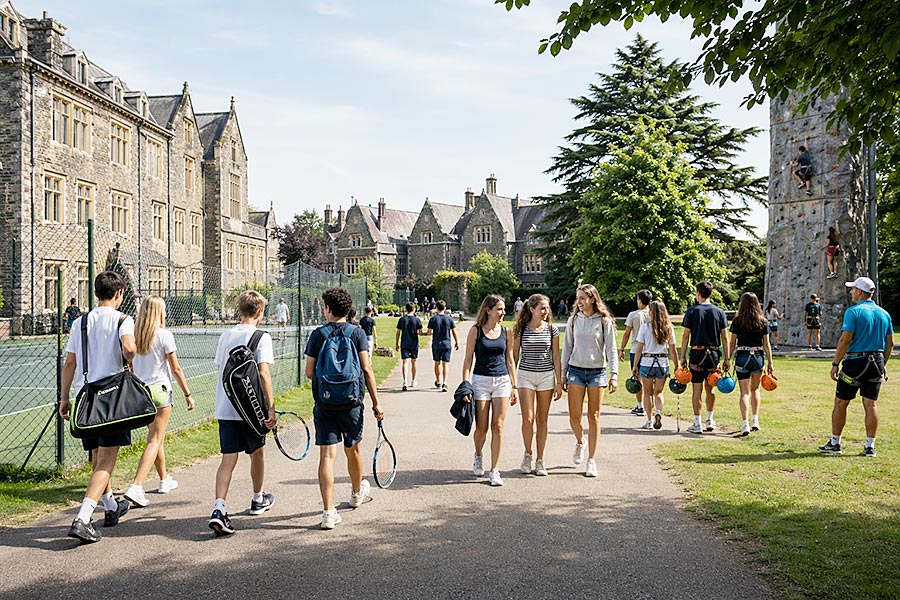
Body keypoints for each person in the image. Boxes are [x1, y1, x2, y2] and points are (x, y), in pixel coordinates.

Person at [59, 271, 136, 544]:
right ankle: (83, 516)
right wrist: (132, 352)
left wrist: (64, 397)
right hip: (112, 398)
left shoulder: (79, 323)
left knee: (96, 453)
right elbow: (129, 349)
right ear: (118, 294)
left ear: (95, 294)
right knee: (106, 460)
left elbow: (69, 363)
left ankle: (112, 507)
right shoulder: (123, 320)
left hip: (85, 396)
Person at [305, 287, 384, 529]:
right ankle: (356, 492)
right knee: (353, 450)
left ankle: (328, 512)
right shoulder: (357, 333)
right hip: (352, 403)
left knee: (327, 456)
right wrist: (376, 403)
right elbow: (367, 370)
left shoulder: (318, 335)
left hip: (325, 403)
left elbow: (309, 372)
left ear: (328, 309)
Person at [207, 290, 276, 536]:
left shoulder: (226, 335)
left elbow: (222, 369)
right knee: (257, 454)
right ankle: (258, 498)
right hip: (251, 410)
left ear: (239, 311)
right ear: (260, 312)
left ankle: (219, 508)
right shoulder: (261, 337)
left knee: (228, 459)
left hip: (226, 407)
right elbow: (263, 373)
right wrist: (270, 407)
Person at [123, 296, 195, 508]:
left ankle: (164, 480)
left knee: (156, 438)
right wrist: (187, 393)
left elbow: (131, 366)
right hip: (161, 393)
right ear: (159, 312)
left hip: (141, 393)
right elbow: (176, 369)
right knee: (154, 440)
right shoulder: (164, 335)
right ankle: (136, 486)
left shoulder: (134, 335)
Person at [819, 277, 893, 457]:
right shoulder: (884, 313)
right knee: (870, 404)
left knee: (841, 402)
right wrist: (884, 364)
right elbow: (889, 343)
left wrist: (835, 363)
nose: (851, 292)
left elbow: (845, 339)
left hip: (855, 362)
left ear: (860, 292)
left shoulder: (853, 312)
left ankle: (835, 443)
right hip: (877, 361)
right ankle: (870, 447)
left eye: (853, 289)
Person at [561, 284, 618, 477]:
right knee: (574, 417)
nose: (579, 301)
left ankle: (591, 460)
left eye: (582, 298)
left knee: (593, 416)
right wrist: (563, 374)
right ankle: (580, 442)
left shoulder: (604, 321)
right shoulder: (573, 320)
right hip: (576, 371)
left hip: (597, 373)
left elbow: (611, 349)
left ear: (592, 299)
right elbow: (566, 348)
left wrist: (614, 376)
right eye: (578, 298)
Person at [461, 294, 518, 486]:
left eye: (503, 309)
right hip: (480, 381)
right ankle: (478, 455)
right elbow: (468, 360)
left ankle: (495, 470)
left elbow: (510, 360)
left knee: (498, 426)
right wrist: (465, 384)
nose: (503, 313)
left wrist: (514, 386)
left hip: (502, 380)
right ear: (488, 310)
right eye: (499, 309)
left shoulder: (506, 332)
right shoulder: (475, 331)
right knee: (482, 428)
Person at [511, 294, 562, 476]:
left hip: (546, 377)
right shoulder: (520, 330)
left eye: (547, 308)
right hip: (525, 376)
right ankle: (527, 454)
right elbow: (514, 356)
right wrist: (512, 384)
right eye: (542, 308)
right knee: (528, 419)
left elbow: (556, 356)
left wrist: (559, 381)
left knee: (542, 420)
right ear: (532, 309)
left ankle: (540, 460)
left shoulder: (552, 330)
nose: (546, 311)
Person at [680, 281, 730, 434]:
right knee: (711, 387)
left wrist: (682, 356)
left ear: (698, 293)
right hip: (713, 354)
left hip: (697, 353)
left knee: (697, 388)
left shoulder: (692, 311)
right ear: (711, 294)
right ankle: (709, 419)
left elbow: (686, 335)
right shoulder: (719, 312)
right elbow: (725, 337)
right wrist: (727, 358)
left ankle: (697, 422)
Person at [729, 292, 775, 436]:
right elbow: (767, 344)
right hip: (757, 356)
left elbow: (732, 342)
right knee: (755, 390)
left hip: (742, 355)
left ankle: (745, 424)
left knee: (744, 392)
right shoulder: (763, 321)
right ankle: (755, 420)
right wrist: (770, 363)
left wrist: (727, 359)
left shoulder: (737, 321)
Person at [633, 300, 679, 431]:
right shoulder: (669, 327)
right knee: (659, 392)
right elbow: (672, 349)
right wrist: (676, 366)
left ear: (652, 312)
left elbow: (639, 348)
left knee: (647, 393)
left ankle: (648, 420)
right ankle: (658, 412)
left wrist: (635, 365)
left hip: (647, 362)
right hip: (662, 362)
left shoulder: (645, 327)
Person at [620, 290, 653, 417]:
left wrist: (622, 349)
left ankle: (640, 406)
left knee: (637, 378)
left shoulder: (633, 315)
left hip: (636, 349)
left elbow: (627, 333)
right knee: (649, 380)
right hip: (650, 350)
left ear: (640, 300)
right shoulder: (653, 315)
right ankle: (650, 405)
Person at [427, 300, 458, 392]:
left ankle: (438, 381)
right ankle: (445, 382)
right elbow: (454, 332)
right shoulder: (449, 319)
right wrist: (456, 342)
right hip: (447, 343)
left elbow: (429, 332)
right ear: (445, 308)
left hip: (436, 343)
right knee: (445, 364)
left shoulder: (433, 319)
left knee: (437, 363)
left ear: (436, 308)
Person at [395, 302, 425, 391]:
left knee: (405, 362)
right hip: (414, 343)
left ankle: (405, 381)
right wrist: (426, 334)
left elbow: (398, 332)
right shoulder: (417, 320)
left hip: (404, 342)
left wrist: (396, 343)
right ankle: (413, 380)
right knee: (414, 361)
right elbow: (420, 332)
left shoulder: (402, 319)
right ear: (414, 309)